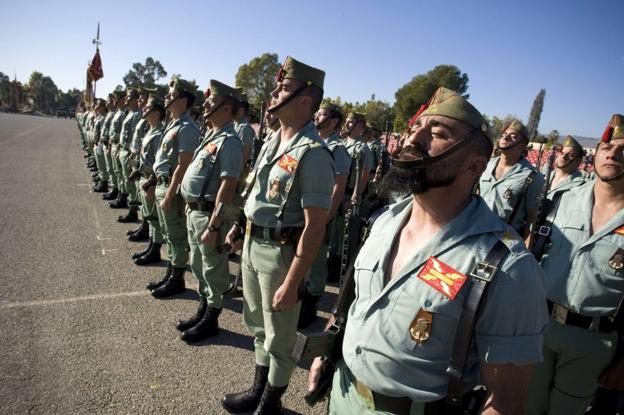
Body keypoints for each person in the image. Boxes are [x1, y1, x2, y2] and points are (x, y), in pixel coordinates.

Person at [308, 87, 548, 415]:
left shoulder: (508, 266)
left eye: (436, 133)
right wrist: (327, 350)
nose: (414, 137)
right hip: (343, 391)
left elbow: (505, 402)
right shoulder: (385, 220)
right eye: (415, 127)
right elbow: (355, 301)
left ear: (475, 165)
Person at [221, 56, 335, 414]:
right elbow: (256, 192)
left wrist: (294, 279)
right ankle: (258, 389)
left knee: (280, 335)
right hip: (254, 246)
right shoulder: (272, 140)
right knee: (256, 323)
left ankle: (270, 402)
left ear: (306, 98)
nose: (274, 92)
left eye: (284, 87)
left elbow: (315, 225)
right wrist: (240, 226)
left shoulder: (314, 153)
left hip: (281, 255)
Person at [526, 114, 624, 415]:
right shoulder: (561, 199)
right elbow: (531, 255)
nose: (613, 154)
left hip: (592, 339)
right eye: (608, 146)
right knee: (526, 406)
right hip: (538, 325)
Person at [177, 80, 243, 342]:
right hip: (196, 211)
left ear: (226, 108)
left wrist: (215, 225)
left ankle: (212, 318)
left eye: (211, 101)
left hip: (210, 215)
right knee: (198, 265)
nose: (205, 104)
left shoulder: (231, 142)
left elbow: (228, 185)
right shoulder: (211, 136)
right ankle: (203, 309)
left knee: (213, 269)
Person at [298, 102, 351, 329]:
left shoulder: (338, 149)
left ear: (334, 121)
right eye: (317, 113)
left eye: (322, 114)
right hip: (302, 209)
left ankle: (312, 301)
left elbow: (338, 189)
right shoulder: (309, 141)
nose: (317, 117)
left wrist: (324, 220)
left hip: (322, 214)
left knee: (316, 259)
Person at [148, 76, 200, 298]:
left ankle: (177, 279)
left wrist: (170, 194)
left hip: (172, 188)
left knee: (176, 236)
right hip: (162, 184)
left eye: (171, 94)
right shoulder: (173, 124)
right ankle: (171, 273)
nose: (166, 97)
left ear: (183, 100)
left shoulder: (187, 127)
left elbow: (183, 164)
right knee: (169, 235)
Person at [479, 119, 545, 245]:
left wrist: (526, 249)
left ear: (522, 145)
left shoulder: (532, 176)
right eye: (504, 135)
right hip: (474, 230)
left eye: (513, 137)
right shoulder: (486, 164)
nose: (506, 138)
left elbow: (532, 218)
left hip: (503, 240)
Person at [327, 112, 374, 282]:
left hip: (348, 195)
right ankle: (330, 265)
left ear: (360, 126)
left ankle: (337, 271)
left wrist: (355, 196)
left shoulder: (362, 149)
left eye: (350, 122)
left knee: (343, 235)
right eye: (346, 121)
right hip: (337, 192)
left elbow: (364, 175)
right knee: (334, 232)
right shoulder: (344, 143)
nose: (346, 124)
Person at [132, 95, 166, 266]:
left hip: (152, 181)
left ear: (157, 113)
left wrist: (153, 182)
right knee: (150, 216)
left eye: (148, 108)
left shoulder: (160, 133)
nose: (144, 110)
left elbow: (158, 162)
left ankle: (155, 250)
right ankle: (151, 245)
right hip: (145, 178)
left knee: (154, 217)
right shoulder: (151, 130)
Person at [116, 88, 143, 223]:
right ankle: (130, 207)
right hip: (124, 150)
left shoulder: (138, 114)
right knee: (127, 181)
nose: (125, 99)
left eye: (128, 97)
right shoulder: (130, 113)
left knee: (132, 184)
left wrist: (134, 157)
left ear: (134, 100)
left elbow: (137, 138)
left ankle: (133, 212)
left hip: (131, 153)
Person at [546, 135, 586, 201]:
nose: (563, 156)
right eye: (562, 153)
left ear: (578, 161)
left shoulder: (580, 185)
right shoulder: (546, 175)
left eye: (570, 155)